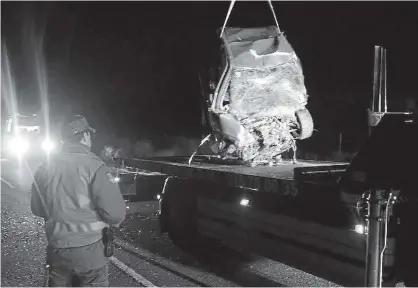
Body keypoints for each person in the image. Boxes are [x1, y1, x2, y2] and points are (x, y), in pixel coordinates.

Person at [31, 115, 126, 287]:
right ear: (85, 136)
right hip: (90, 254)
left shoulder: (45, 167)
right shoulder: (96, 167)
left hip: (57, 251)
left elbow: (37, 208)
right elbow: (115, 214)